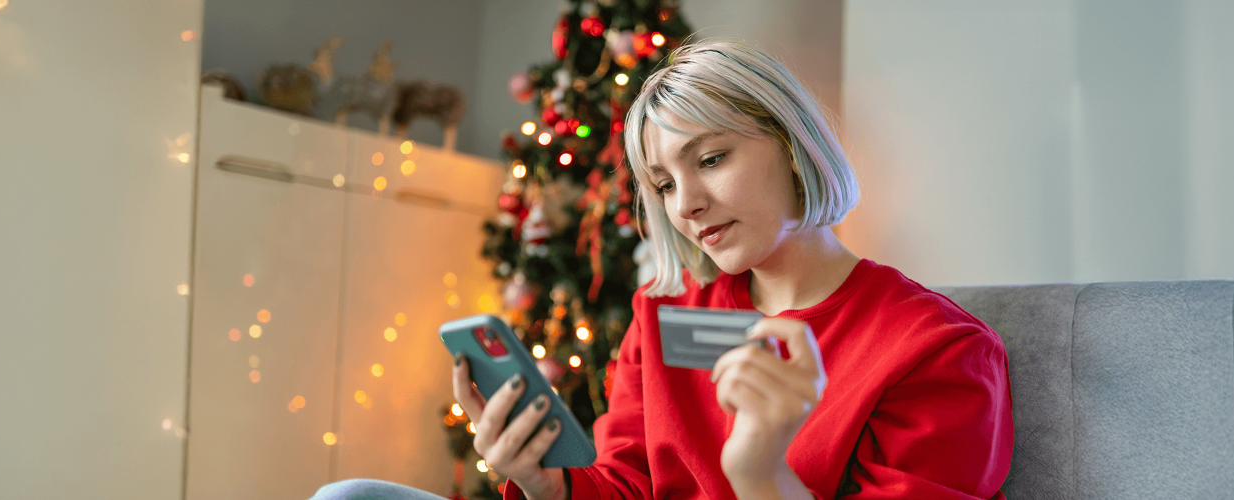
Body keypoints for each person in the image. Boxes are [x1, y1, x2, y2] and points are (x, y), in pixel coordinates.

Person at [315, 39, 1012, 500]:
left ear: (794, 147)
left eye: (710, 160)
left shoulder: (938, 352)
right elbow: (623, 481)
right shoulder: (665, 311)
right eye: (664, 184)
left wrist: (762, 472)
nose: (690, 206)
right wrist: (545, 481)